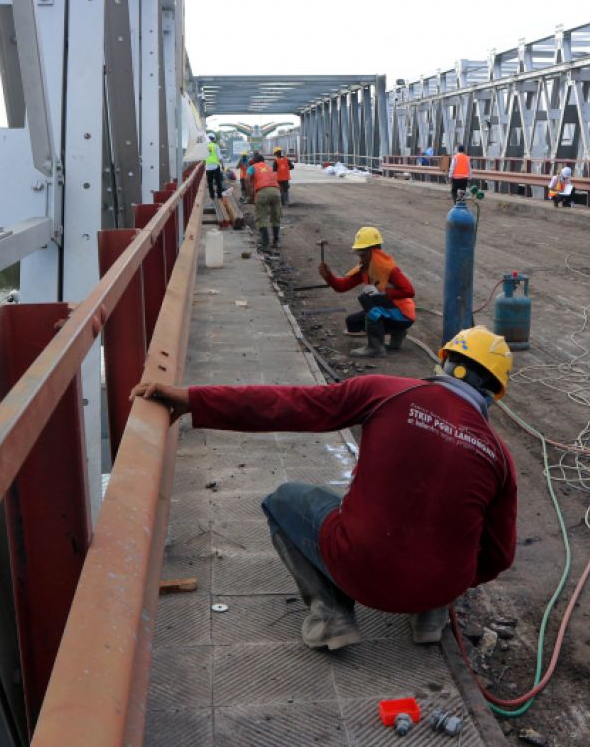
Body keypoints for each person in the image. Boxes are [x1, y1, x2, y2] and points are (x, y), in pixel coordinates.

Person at [130, 325, 517, 650]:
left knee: (284, 500)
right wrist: (440, 580)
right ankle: (430, 621)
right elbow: (498, 557)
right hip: (439, 588)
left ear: (444, 363)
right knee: (447, 520)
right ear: (493, 395)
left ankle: (332, 617)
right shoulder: (500, 456)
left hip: (359, 572)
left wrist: (195, 400)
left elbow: (289, 404)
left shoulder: (388, 391)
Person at [318, 226, 415, 358]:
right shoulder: (366, 268)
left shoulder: (390, 269)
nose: (361, 258)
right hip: (392, 312)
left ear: (374, 251)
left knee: (366, 298)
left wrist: (384, 293)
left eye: (363, 255)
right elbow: (342, 286)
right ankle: (397, 334)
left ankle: (375, 347)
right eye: (359, 254)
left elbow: (409, 291)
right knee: (352, 322)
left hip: (403, 315)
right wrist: (328, 276)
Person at [247, 153, 282, 251]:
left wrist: (250, 195)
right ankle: (276, 242)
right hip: (276, 192)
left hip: (262, 192)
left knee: (261, 217)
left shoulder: (252, 167)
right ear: (263, 161)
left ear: (254, 161)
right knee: (276, 216)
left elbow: (248, 178)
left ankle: (265, 244)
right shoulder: (269, 167)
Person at [205, 133, 224, 199]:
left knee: (210, 183)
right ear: (214, 139)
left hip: (208, 167)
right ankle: (219, 195)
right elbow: (219, 157)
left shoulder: (205, 146)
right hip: (216, 166)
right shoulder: (216, 146)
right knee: (218, 181)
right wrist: (222, 165)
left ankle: (212, 196)